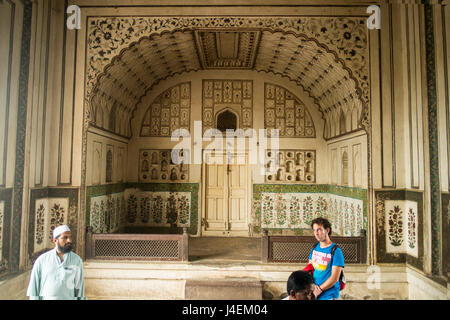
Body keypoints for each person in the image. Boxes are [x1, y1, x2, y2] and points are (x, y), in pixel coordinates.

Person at [26, 225, 86, 300]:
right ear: (55, 240)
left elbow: (79, 290)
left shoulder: (77, 260)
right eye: (65, 237)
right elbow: (34, 291)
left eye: (70, 237)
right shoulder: (42, 260)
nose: (69, 241)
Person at [308, 217, 344, 300]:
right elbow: (310, 269)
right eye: (314, 230)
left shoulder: (336, 251)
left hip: (328, 295)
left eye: (319, 230)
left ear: (327, 230)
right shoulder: (314, 248)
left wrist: (319, 290)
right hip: (314, 294)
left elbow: (334, 278)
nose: (316, 233)